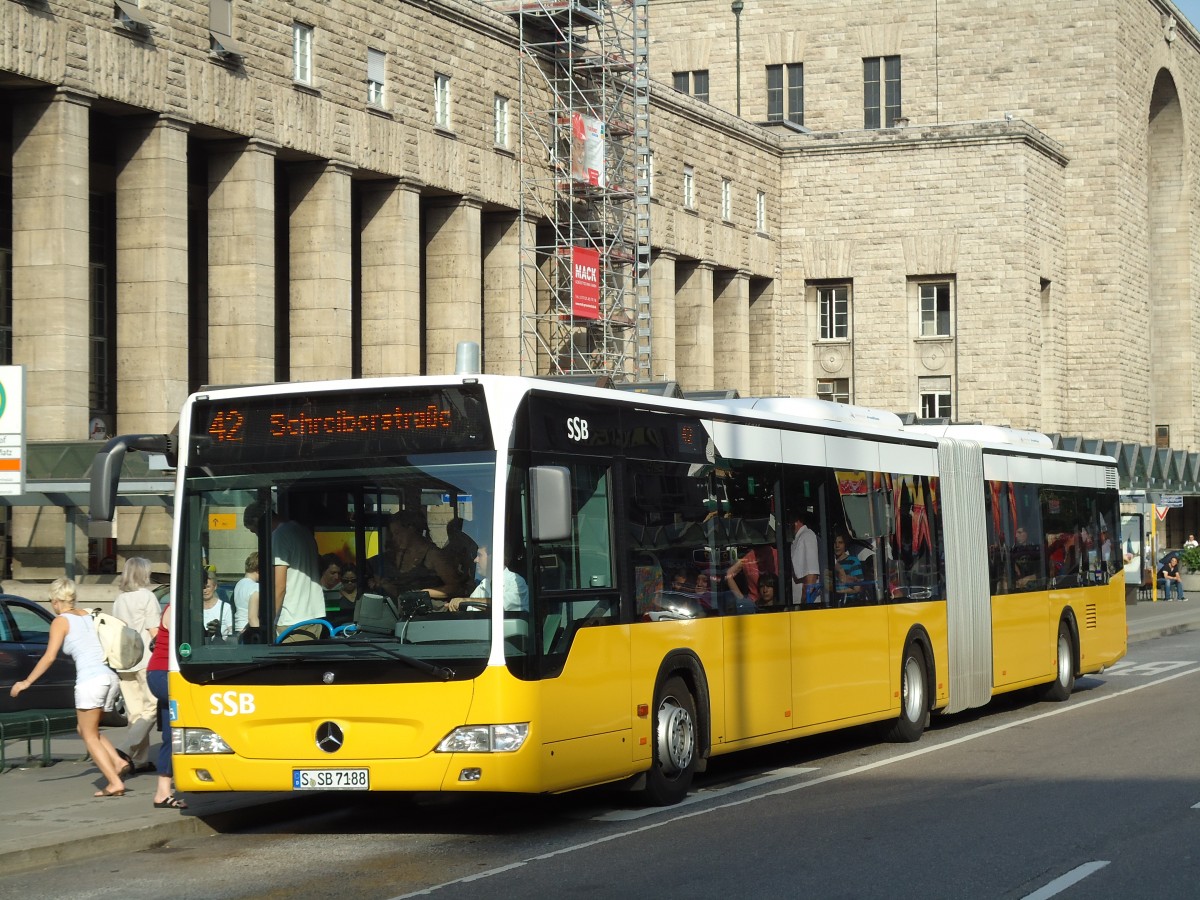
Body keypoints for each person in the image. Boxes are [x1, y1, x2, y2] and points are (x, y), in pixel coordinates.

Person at [9, 578, 126, 798]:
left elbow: (49, 657)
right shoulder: (87, 615)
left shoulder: (60, 621)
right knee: (86, 729)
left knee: (89, 736)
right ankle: (118, 761)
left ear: (55, 600)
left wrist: (26, 682)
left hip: (91, 681)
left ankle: (114, 782)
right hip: (109, 677)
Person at [244, 498, 325, 641]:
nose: (257, 535)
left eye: (254, 530)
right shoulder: (302, 531)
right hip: (314, 617)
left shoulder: (279, 536)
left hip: (292, 620)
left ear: (259, 521)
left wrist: (267, 622)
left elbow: (279, 587)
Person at [112, 557, 161, 774]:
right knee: (152, 707)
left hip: (124, 660)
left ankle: (140, 760)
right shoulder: (147, 597)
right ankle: (125, 749)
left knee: (135, 712)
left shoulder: (119, 600)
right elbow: (154, 631)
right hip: (145, 658)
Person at [372, 509, 466, 602]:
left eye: (397, 533)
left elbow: (455, 587)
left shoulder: (433, 555)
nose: (394, 538)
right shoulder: (399, 554)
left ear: (411, 529)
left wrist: (423, 593)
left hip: (429, 609)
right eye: (393, 534)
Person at [147, 600, 186, 809]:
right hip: (161, 673)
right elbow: (181, 641)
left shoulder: (183, 607)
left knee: (171, 734)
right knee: (181, 720)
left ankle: (162, 793)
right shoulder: (174, 608)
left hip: (167, 674)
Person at [447, 544, 529, 612]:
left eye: (479, 555)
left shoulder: (516, 582)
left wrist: (465, 601)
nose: (475, 560)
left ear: (493, 557)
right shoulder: (482, 586)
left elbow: (500, 606)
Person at [790, 509, 821, 605]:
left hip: (806, 605)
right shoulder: (799, 538)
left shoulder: (807, 537)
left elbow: (811, 575)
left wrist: (804, 603)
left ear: (796, 521)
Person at [232, 551, 260, 635]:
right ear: (258, 569)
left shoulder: (239, 584)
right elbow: (252, 618)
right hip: (249, 631)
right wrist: (259, 634)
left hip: (238, 628)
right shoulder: (255, 587)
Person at [832, 532, 863, 605]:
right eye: (835, 543)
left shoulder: (853, 561)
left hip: (849, 603)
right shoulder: (829, 562)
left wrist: (837, 592)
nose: (837, 546)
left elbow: (857, 588)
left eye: (840, 542)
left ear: (845, 544)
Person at [201, 569, 233, 641]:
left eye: (208, 587)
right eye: (203, 587)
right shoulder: (195, 608)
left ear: (215, 587)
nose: (205, 590)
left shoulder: (225, 607)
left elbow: (231, 633)